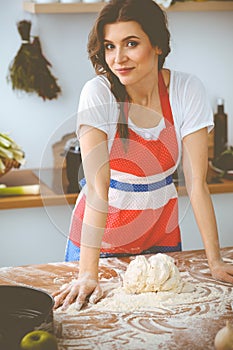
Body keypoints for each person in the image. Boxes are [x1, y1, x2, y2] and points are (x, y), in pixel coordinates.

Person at [53, 0, 233, 310]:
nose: (118, 58)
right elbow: (98, 188)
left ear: (158, 45)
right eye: (109, 46)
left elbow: (197, 183)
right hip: (101, 242)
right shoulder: (98, 93)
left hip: (160, 233)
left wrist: (214, 261)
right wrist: (87, 274)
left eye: (131, 43)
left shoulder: (186, 91)